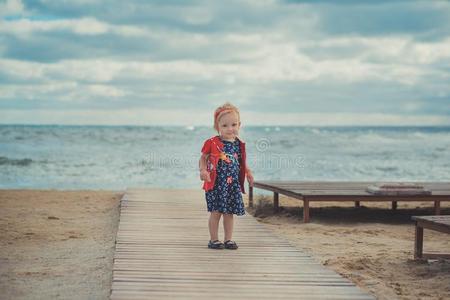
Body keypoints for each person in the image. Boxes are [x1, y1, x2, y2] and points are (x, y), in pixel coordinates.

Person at [199, 102, 254, 250]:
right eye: (225, 126)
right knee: (216, 212)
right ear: (217, 127)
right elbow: (203, 158)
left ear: (239, 125)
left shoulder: (238, 144)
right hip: (216, 184)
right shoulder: (212, 142)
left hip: (231, 185)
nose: (230, 129)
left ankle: (228, 239)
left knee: (229, 213)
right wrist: (203, 170)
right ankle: (214, 240)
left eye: (233, 124)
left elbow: (241, 162)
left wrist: (248, 172)